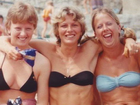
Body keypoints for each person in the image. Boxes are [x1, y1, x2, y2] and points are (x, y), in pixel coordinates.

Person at [0, 4, 137, 105]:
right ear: (57, 30)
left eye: (74, 25)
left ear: (81, 29)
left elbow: (110, 37)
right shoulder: (47, 48)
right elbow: (17, 39)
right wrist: (7, 48)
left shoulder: (91, 48)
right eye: (64, 25)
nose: (69, 30)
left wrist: (128, 39)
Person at [0, 1, 50, 105]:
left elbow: (43, 102)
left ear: (34, 29)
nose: (23, 34)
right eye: (18, 28)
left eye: (28, 29)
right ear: (8, 28)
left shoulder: (42, 63)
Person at [91, 7, 140, 105]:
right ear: (95, 34)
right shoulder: (94, 60)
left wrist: (129, 39)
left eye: (109, 24)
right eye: (99, 26)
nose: (105, 29)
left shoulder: (135, 51)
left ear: (118, 27)